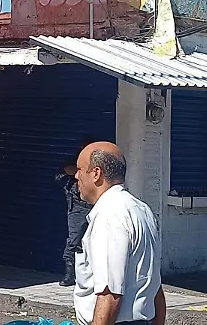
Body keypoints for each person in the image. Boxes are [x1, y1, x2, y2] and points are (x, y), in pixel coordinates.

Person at [73, 141, 165, 325]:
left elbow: (109, 293)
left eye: (80, 169)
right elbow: (155, 287)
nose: (76, 176)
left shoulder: (109, 216)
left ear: (96, 173)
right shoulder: (141, 209)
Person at [58, 136, 96, 287]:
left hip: (95, 204)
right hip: (79, 206)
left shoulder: (100, 164)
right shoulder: (75, 162)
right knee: (74, 241)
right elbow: (64, 172)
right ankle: (70, 274)